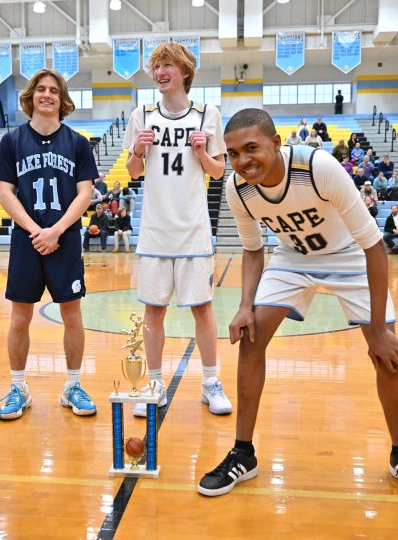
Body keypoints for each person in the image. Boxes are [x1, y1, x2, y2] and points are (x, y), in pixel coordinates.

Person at [197, 108, 398, 504]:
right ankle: (243, 452)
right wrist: (244, 305)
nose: (243, 161)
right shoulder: (237, 189)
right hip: (292, 258)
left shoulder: (319, 168)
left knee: (387, 354)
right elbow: (253, 250)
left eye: (252, 148)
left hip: (350, 256)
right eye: (234, 153)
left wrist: (377, 330)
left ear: (277, 144)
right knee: (251, 336)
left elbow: (375, 247)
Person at [124, 41, 232, 417]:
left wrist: (202, 153)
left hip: (193, 231)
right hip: (155, 231)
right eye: (156, 66)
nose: (160, 72)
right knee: (154, 313)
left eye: (167, 65)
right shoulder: (142, 113)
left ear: (185, 72)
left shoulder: (207, 114)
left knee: (202, 310)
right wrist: (137, 151)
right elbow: (132, 171)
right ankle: (155, 384)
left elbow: (218, 172)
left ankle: (210, 382)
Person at [0, 68, 99, 420]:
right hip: (27, 241)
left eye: (54, 90)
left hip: (65, 240)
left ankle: (72, 385)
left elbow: (85, 194)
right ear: (31, 96)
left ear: (62, 99)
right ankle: (18, 387)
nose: (47, 95)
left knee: (72, 316)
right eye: (41, 89)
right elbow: (4, 193)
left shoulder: (78, 143)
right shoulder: (11, 142)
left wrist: (55, 230)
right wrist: (35, 231)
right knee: (20, 318)